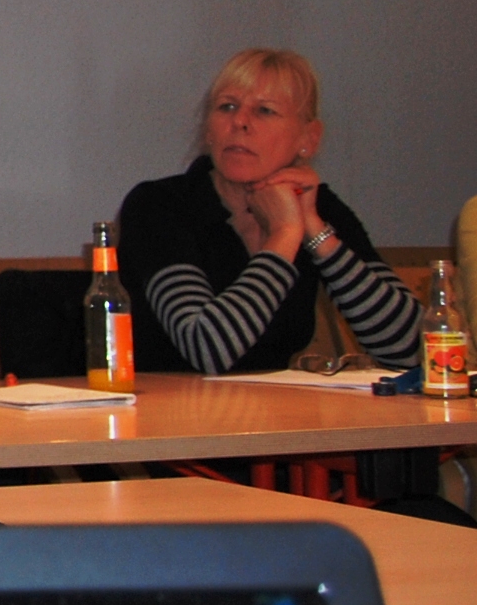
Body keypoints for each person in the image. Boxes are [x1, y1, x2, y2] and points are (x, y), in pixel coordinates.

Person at [117, 49, 421, 379]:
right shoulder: (159, 204)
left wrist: (316, 234)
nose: (240, 121)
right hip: (167, 406)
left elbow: (414, 350)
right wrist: (285, 235)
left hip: (274, 406)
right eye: (227, 107)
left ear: (308, 139)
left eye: (264, 110)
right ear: (208, 131)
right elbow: (207, 348)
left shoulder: (319, 205)